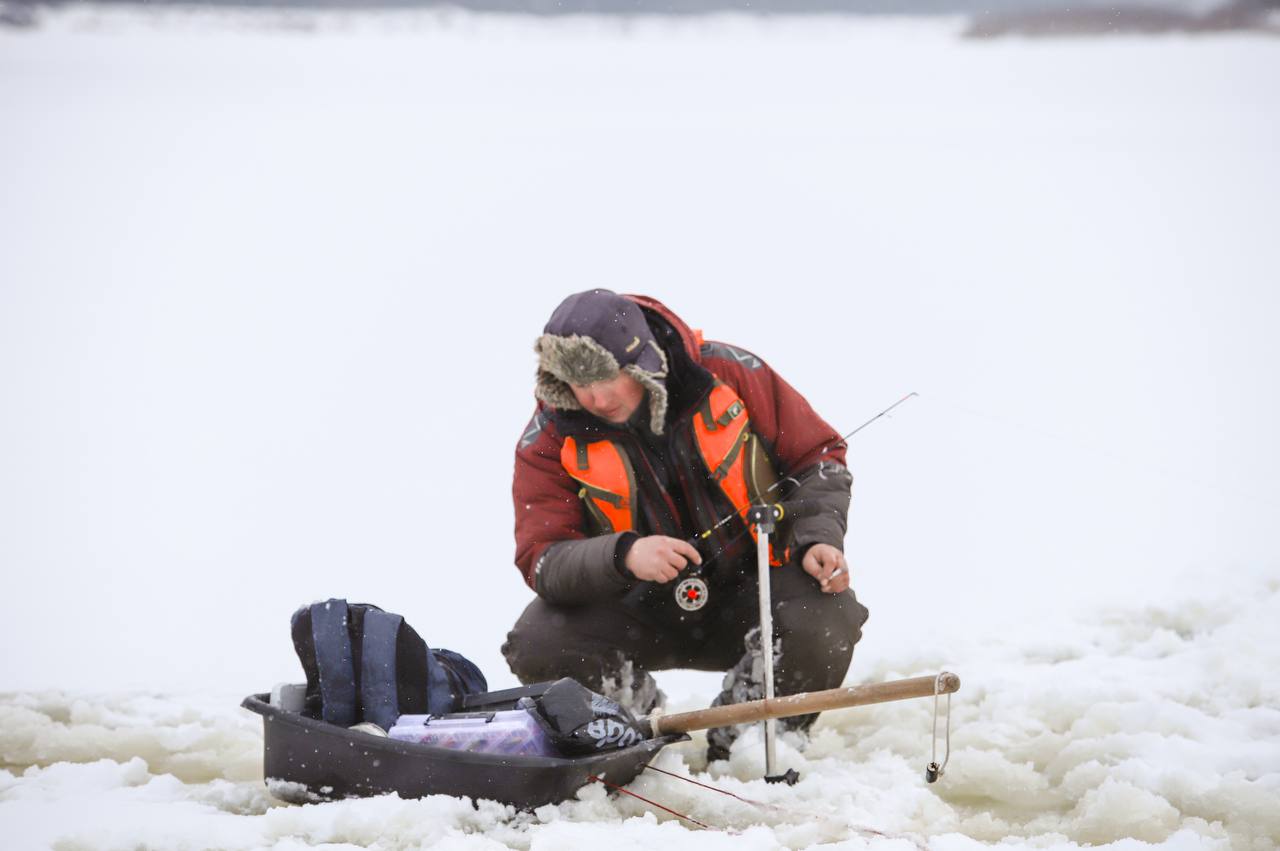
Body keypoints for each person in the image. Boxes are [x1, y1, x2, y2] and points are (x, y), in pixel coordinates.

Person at [502, 290, 869, 761]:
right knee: (537, 641)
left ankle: (750, 745)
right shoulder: (547, 437)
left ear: (640, 362)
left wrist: (817, 538)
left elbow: (819, 458)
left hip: (753, 592)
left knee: (827, 615)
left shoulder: (733, 372)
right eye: (577, 384)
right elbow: (542, 557)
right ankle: (637, 740)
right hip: (636, 609)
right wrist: (624, 555)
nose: (595, 398)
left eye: (606, 378)